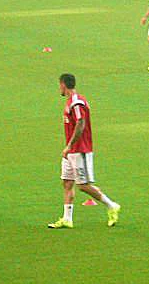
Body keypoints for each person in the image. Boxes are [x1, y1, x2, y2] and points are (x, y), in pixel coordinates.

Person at [48, 73, 121, 229]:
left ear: (63, 84)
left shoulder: (76, 102)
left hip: (80, 150)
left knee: (83, 185)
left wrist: (70, 145)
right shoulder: (70, 101)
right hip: (71, 151)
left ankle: (111, 205)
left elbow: (81, 122)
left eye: (59, 85)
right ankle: (67, 218)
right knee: (67, 182)